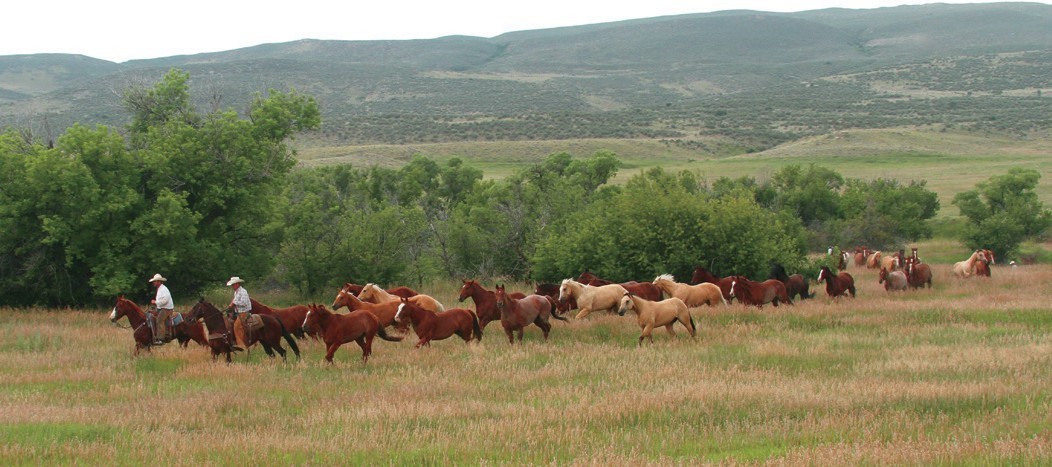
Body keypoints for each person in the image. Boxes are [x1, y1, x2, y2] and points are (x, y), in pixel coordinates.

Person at [149, 273, 174, 345]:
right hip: (161, 308)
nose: (154, 283)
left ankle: (161, 339)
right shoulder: (160, 289)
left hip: (167, 309)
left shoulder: (164, 289)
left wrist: (155, 302)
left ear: (159, 282)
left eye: (155, 281)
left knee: (159, 320)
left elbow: (165, 300)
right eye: (154, 281)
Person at [227, 276, 253, 343]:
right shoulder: (236, 292)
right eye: (232, 285)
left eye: (233, 284)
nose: (232, 286)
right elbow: (234, 301)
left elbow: (244, 303)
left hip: (244, 312)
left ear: (237, 284)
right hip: (237, 312)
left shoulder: (243, 291)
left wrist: (234, 303)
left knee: (237, 326)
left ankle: (241, 342)